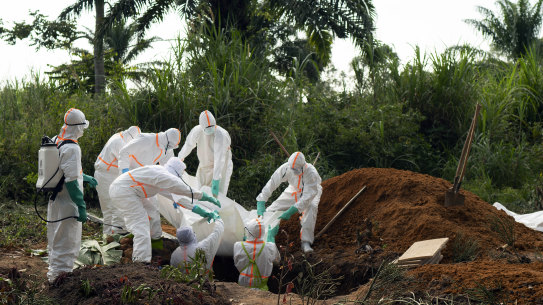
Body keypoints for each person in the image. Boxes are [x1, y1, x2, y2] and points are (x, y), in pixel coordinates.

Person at [109, 158, 221, 263]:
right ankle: (141, 262)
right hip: (124, 192)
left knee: (152, 213)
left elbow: (179, 199)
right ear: (176, 172)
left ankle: (154, 246)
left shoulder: (161, 176)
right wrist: (204, 196)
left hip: (131, 191)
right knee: (141, 226)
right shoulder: (163, 175)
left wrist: (202, 211)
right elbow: (183, 189)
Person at [47, 108, 96, 283]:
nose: (83, 130)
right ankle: (61, 280)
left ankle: (53, 275)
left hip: (55, 199)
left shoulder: (56, 140)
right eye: (82, 127)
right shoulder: (73, 148)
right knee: (67, 241)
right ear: (78, 127)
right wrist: (81, 207)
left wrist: (85, 177)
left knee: (55, 238)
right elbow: (72, 182)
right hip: (68, 203)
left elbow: (62, 170)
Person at [256, 151, 322, 253]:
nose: (294, 171)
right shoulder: (286, 168)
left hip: (312, 192)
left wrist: (292, 210)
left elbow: (307, 197)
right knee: (273, 208)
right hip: (294, 189)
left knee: (311, 207)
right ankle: (261, 231)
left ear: (302, 166)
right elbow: (272, 182)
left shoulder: (311, 173)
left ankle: (306, 242)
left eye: (296, 170)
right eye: (292, 169)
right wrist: (261, 200)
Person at [94, 126, 141, 236]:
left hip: (106, 175)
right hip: (107, 176)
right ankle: (115, 237)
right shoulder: (119, 143)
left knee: (109, 209)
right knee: (114, 206)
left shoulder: (118, 136)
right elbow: (127, 162)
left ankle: (108, 236)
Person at [178, 110, 233, 197]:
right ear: (202, 126)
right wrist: (180, 158)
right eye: (206, 127)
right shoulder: (197, 131)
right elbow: (188, 145)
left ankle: (216, 209)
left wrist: (216, 179)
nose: (209, 129)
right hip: (205, 164)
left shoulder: (221, 134)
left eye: (211, 126)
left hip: (221, 167)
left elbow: (220, 158)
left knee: (218, 194)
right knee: (200, 190)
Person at [233, 218, 280, 290]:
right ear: (264, 232)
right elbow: (277, 260)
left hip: (242, 288)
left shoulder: (238, 246)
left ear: (248, 231)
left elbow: (237, 261)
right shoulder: (270, 247)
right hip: (261, 289)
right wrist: (272, 241)